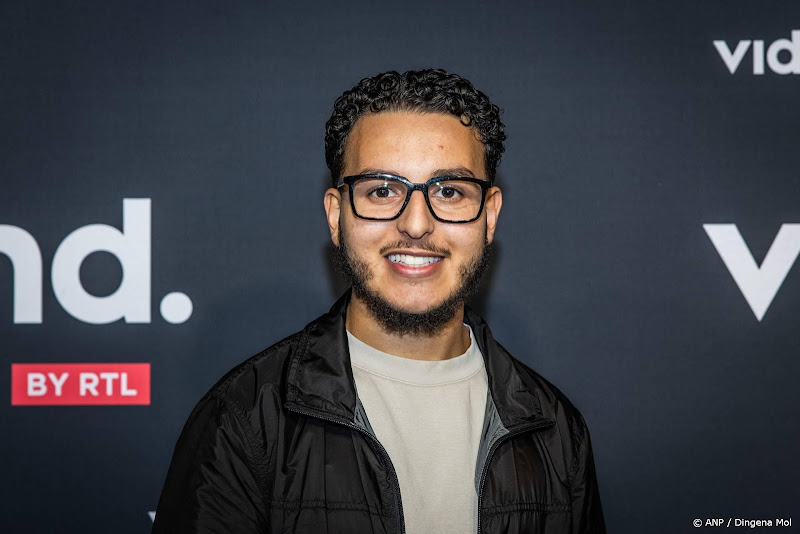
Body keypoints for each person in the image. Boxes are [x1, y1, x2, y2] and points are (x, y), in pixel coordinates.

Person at [153, 69, 605, 533]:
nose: (416, 224)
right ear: (336, 215)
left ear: (489, 216)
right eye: (383, 191)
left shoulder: (556, 431)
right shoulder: (243, 421)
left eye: (449, 191)